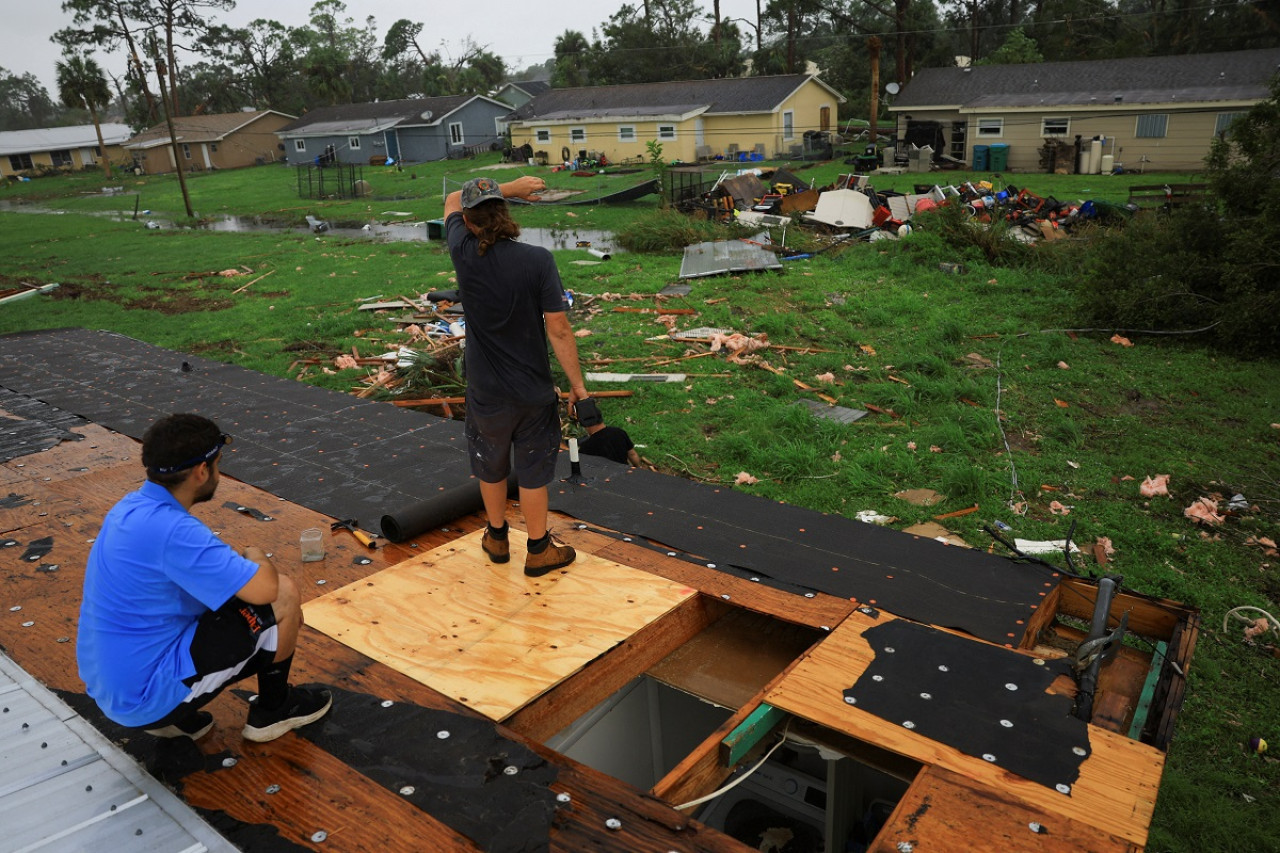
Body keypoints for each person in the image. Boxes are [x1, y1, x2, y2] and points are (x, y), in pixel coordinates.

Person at [77, 413, 331, 742]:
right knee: (283, 594)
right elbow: (265, 590)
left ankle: (175, 717)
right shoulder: (175, 532)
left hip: (111, 688)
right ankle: (274, 709)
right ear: (201, 471)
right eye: (218, 463)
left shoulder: (128, 509)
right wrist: (256, 555)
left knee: (219, 602)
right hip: (143, 699)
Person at [444, 174, 591, 577]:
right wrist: (578, 387)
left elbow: (455, 196)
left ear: (470, 222)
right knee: (531, 470)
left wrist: (506, 185)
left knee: (489, 464)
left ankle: (496, 538)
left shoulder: (461, 250)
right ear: (505, 215)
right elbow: (558, 328)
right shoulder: (537, 260)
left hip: (486, 391)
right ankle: (539, 549)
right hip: (532, 392)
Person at [572, 397, 642, 467]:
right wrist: (639, 468)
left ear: (582, 422)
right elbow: (632, 454)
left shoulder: (586, 447)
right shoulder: (619, 432)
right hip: (625, 473)